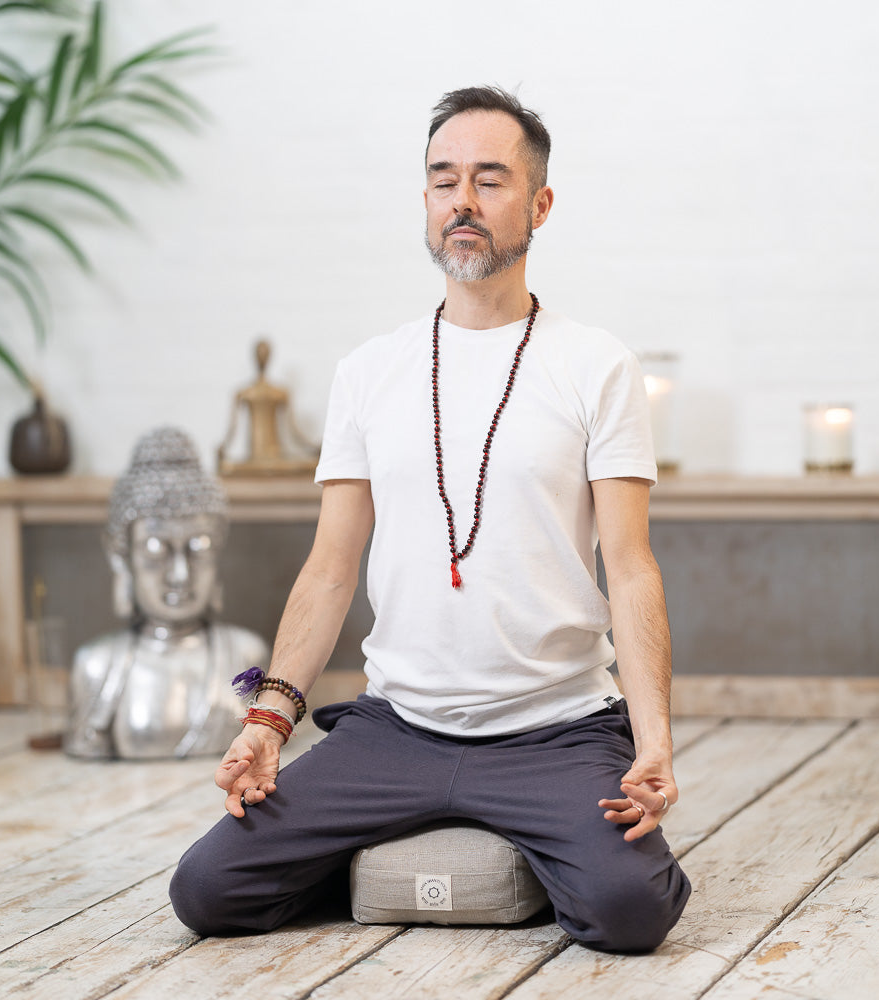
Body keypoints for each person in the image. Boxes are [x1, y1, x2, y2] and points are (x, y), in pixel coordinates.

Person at [169, 86, 691, 952]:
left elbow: (631, 566)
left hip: (554, 730)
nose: (463, 200)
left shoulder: (597, 365)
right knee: (206, 892)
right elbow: (331, 568)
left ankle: (521, 851)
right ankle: (421, 853)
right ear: (424, 200)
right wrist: (267, 721)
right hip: (397, 727)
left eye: (490, 180)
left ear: (540, 204)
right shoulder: (370, 371)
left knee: (629, 911)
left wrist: (655, 740)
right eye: (443, 180)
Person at [66, 427, 269, 759]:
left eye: (198, 548)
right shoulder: (96, 666)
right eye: (156, 550)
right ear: (121, 556)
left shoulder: (246, 657)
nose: (180, 574)